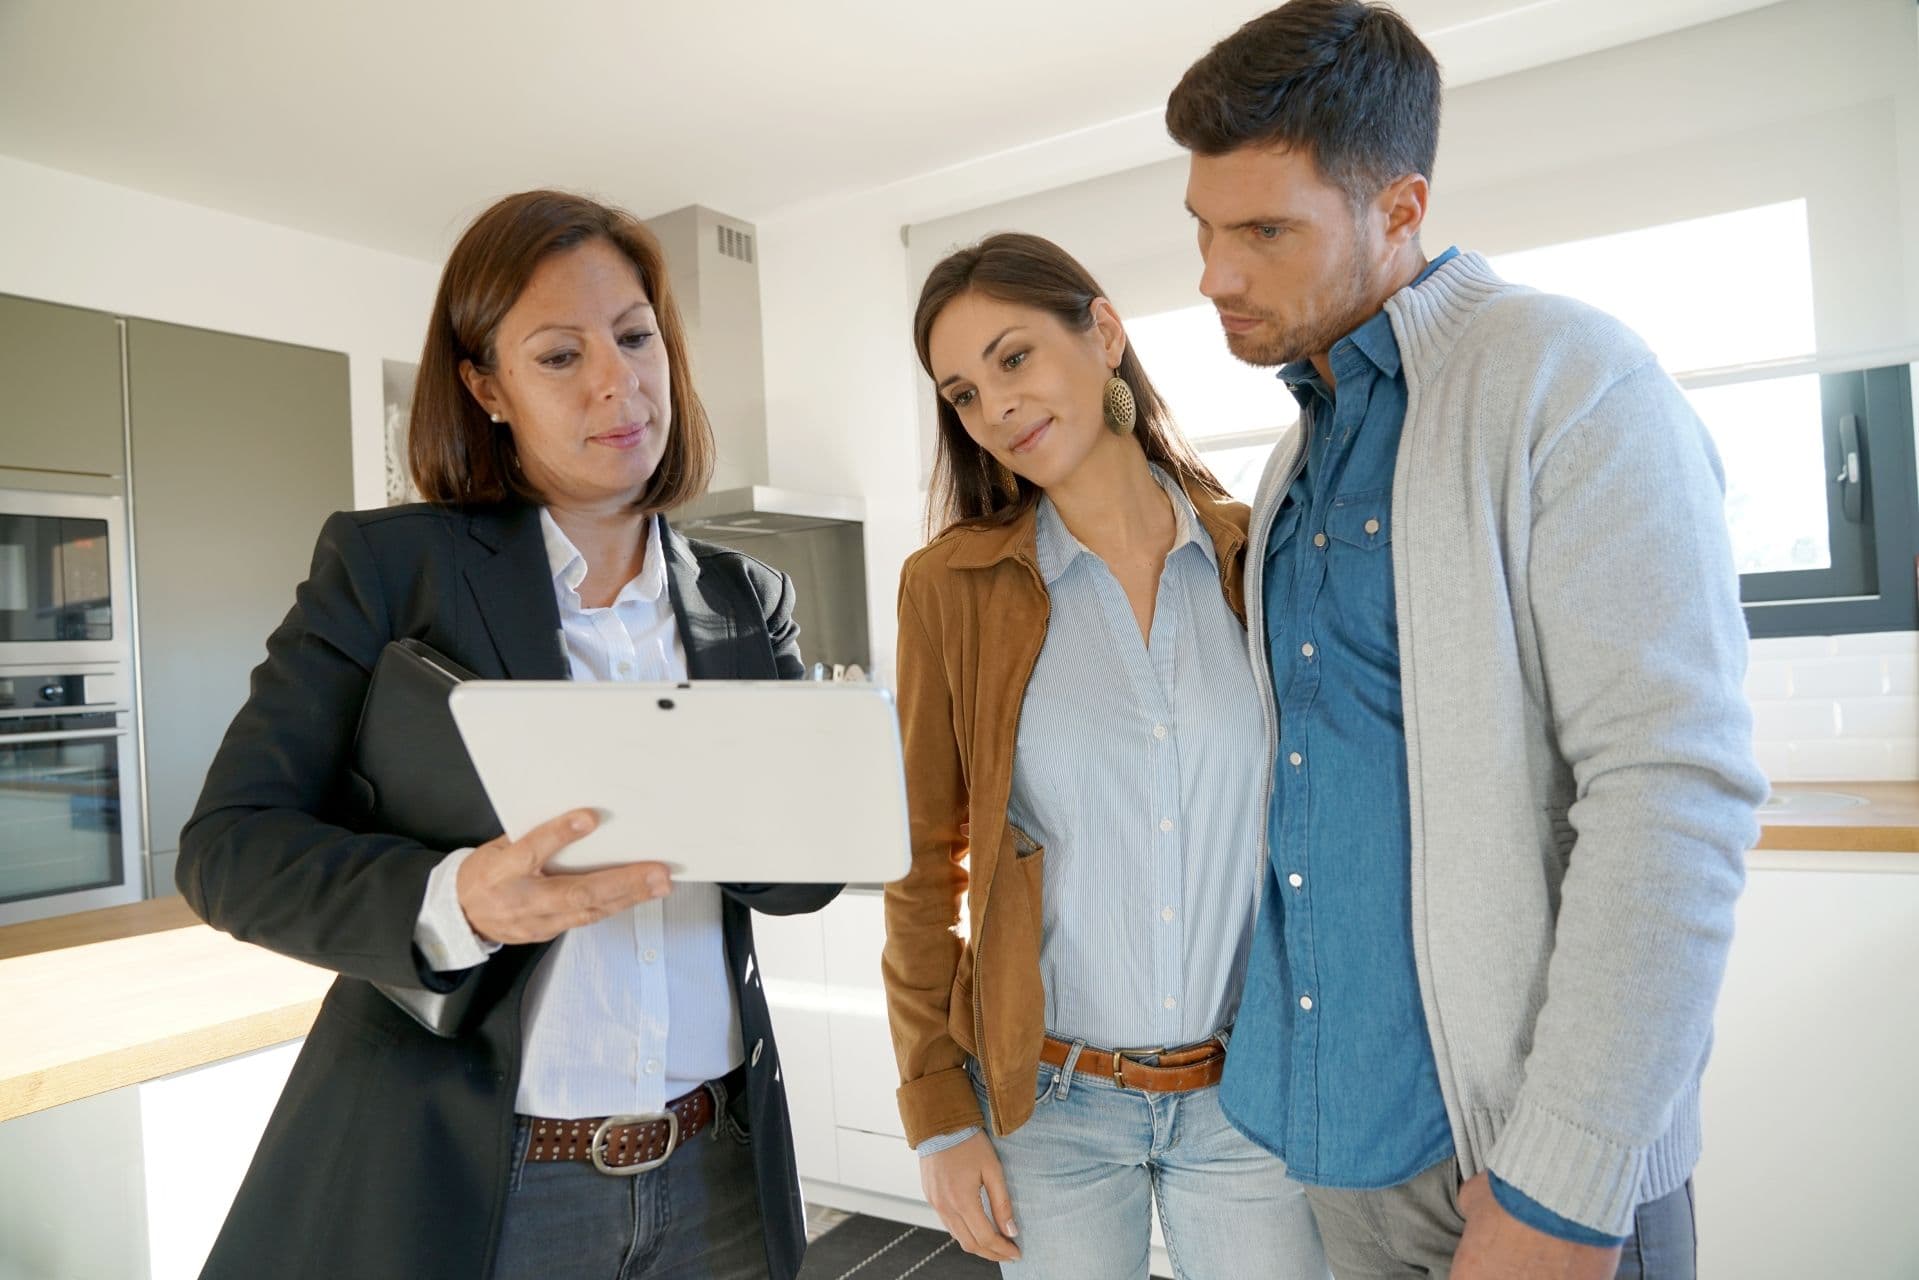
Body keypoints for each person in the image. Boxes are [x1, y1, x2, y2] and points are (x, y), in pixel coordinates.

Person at [1163, 4, 1768, 1277]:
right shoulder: (1291, 457)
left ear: (1398, 207)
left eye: (1266, 230)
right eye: (1205, 228)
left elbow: (1671, 793)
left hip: (1517, 1175)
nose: (1216, 274)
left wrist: (1562, 1181)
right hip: (1335, 1151)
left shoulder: (1569, 378)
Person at [177, 189, 840, 1280]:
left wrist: (828, 820)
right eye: (557, 355)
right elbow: (229, 848)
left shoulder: (745, 598)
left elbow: (790, 882)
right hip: (495, 1183)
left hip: (713, 1170)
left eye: (634, 338)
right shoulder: (390, 568)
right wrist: (459, 898)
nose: (616, 380)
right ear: (486, 386)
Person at [881, 232, 1329, 1279]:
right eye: (959, 392)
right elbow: (920, 865)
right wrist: (939, 1113)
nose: (992, 407)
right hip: (1050, 1107)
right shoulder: (950, 589)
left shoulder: (1252, 554)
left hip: (1247, 1094)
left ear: (1103, 331)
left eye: (1012, 357)